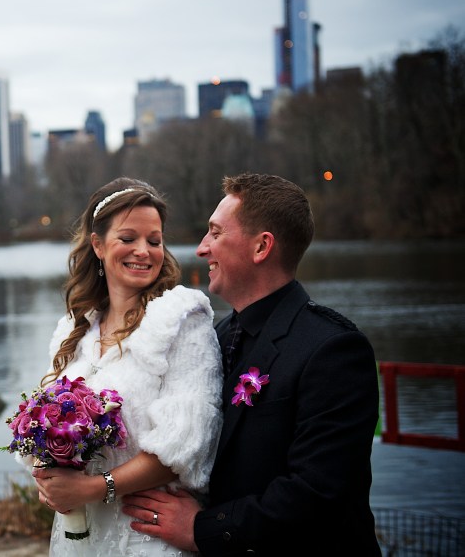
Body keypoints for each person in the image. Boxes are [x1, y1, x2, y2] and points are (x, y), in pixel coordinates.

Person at [122, 173, 381, 555]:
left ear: (261, 247)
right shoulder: (215, 337)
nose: (201, 248)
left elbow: (317, 491)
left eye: (215, 233)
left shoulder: (334, 349)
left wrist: (201, 528)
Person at [30, 177, 223, 556]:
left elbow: (188, 442)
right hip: (79, 533)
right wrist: (49, 480)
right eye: (128, 238)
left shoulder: (181, 319)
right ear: (98, 245)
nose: (143, 251)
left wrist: (95, 487)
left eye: (154, 240)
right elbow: (43, 424)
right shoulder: (75, 328)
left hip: (147, 533)